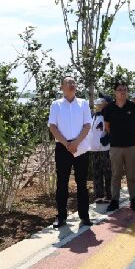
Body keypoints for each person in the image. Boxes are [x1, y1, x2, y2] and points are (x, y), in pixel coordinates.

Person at [48, 76, 92, 229]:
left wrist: (76, 143)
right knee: (62, 183)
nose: (72, 84)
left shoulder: (83, 103)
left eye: (73, 82)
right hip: (63, 147)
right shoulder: (56, 105)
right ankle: (61, 216)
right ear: (62, 87)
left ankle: (84, 215)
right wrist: (67, 144)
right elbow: (52, 127)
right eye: (68, 83)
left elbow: (87, 125)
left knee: (82, 183)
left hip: (80, 146)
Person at [103, 80, 135, 212]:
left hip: (131, 146)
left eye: (125, 89)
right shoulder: (109, 108)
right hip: (115, 147)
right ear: (115, 92)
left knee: (132, 176)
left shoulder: (134, 107)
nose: (122, 92)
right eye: (119, 89)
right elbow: (107, 126)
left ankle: (133, 200)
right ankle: (114, 201)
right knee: (116, 175)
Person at [90, 97, 112, 204]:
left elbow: (111, 130)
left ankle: (109, 194)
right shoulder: (92, 116)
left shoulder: (106, 116)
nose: (98, 104)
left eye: (100, 103)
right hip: (94, 149)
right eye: (97, 103)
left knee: (107, 172)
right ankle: (98, 195)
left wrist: (105, 140)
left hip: (104, 149)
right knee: (96, 172)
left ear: (105, 105)